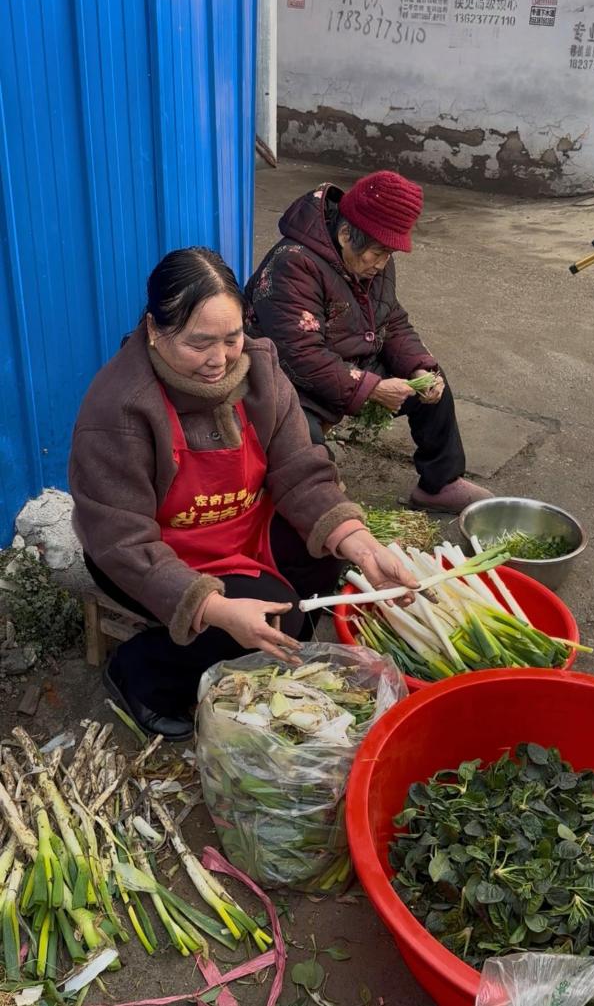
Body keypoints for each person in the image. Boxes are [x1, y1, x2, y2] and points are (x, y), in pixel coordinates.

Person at [69, 248, 417, 742]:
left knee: (329, 564)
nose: (219, 359)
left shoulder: (259, 371)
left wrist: (362, 543)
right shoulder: (120, 408)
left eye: (231, 338)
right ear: (154, 329)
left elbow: (302, 472)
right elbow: (122, 540)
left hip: (242, 527)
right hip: (144, 555)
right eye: (199, 343)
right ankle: (139, 673)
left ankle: (231, 629)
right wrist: (217, 609)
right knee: (277, 619)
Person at [245, 170, 491, 514]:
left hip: (351, 366)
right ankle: (320, 508)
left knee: (433, 387)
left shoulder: (373, 259)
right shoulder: (293, 263)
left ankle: (441, 483)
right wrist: (372, 388)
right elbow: (300, 356)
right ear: (346, 234)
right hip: (287, 379)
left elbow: (391, 319)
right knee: (302, 436)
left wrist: (420, 367)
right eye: (378, 253)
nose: (383, 263)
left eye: (389, 254)